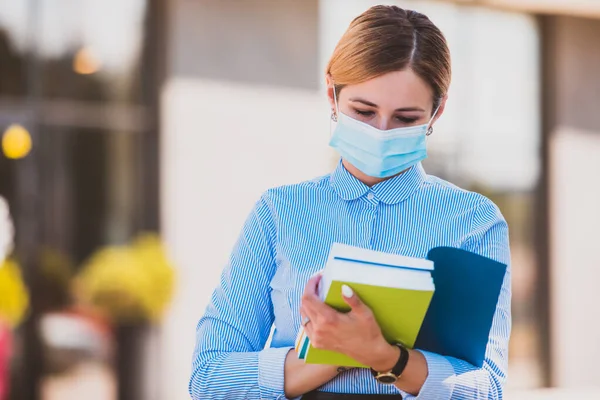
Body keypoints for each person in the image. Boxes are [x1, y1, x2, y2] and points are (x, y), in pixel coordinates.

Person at [189, 5, 511, 400]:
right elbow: (209, 376)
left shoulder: (474, 222)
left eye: (405, 118)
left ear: (437, 111)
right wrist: (332, 354)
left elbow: (486, 388)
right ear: (332, 94)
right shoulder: (280, 211)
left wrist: (386, 357)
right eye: (363, 111)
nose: (380, 132)